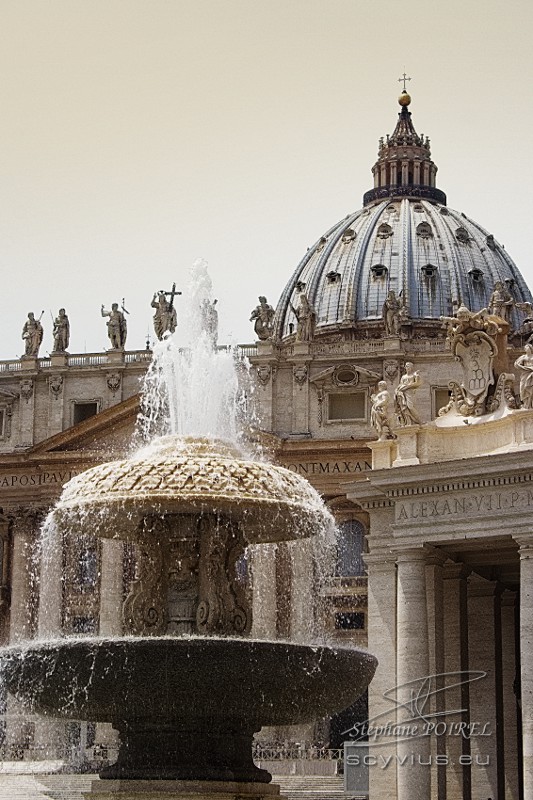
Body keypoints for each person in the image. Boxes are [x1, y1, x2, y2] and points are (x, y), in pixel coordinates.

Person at [514, 344, 533, 409]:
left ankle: (530, 405)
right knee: (523, 388)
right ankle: (526, 403)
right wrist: (523, 367)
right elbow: (516, 364)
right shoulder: (523, 357)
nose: (526, 349)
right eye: (525, 348)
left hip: (531, 374)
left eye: (527, 347)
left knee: (531, 389)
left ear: (530, 348)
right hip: (524, 374)